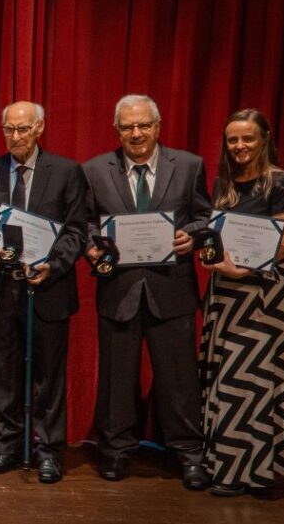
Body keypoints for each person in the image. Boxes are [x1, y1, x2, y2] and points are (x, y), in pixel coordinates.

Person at [82, 94, 211, 490]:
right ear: (116, 130)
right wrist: (92, 246)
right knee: (116, 380)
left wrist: (191, 236)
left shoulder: (189, 165)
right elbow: (85, 223)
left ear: (157, 127)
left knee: (178, 379)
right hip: (118, 290)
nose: (135, 133)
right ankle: (116, 451)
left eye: (143, 126)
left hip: (171, 289)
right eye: (127, 127)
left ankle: (188, 453)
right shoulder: (93, 170)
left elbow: (204, 215)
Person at [0, 102, 87, 483]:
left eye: (23, 129)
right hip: (1, 290)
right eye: (9, 129)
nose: (15, 137)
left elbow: (77, 231)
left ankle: (49, 451)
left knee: (48, 376)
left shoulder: (67, 172)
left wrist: (53, 265)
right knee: (3, 376)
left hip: (47, 288)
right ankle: (7, 446)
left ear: (39, 129)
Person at [200, 109, 284, 497]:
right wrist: (208, 254)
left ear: (264, 138)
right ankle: (224, 464)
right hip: (224, 292)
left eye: (247, 138)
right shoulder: (222, 184)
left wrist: (245, 269)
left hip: (265, 293)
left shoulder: (281, 182)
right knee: (223, 379)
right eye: (232, 140)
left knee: (256, 380)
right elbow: (212, 237)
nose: (239, 146)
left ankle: (255, 472)